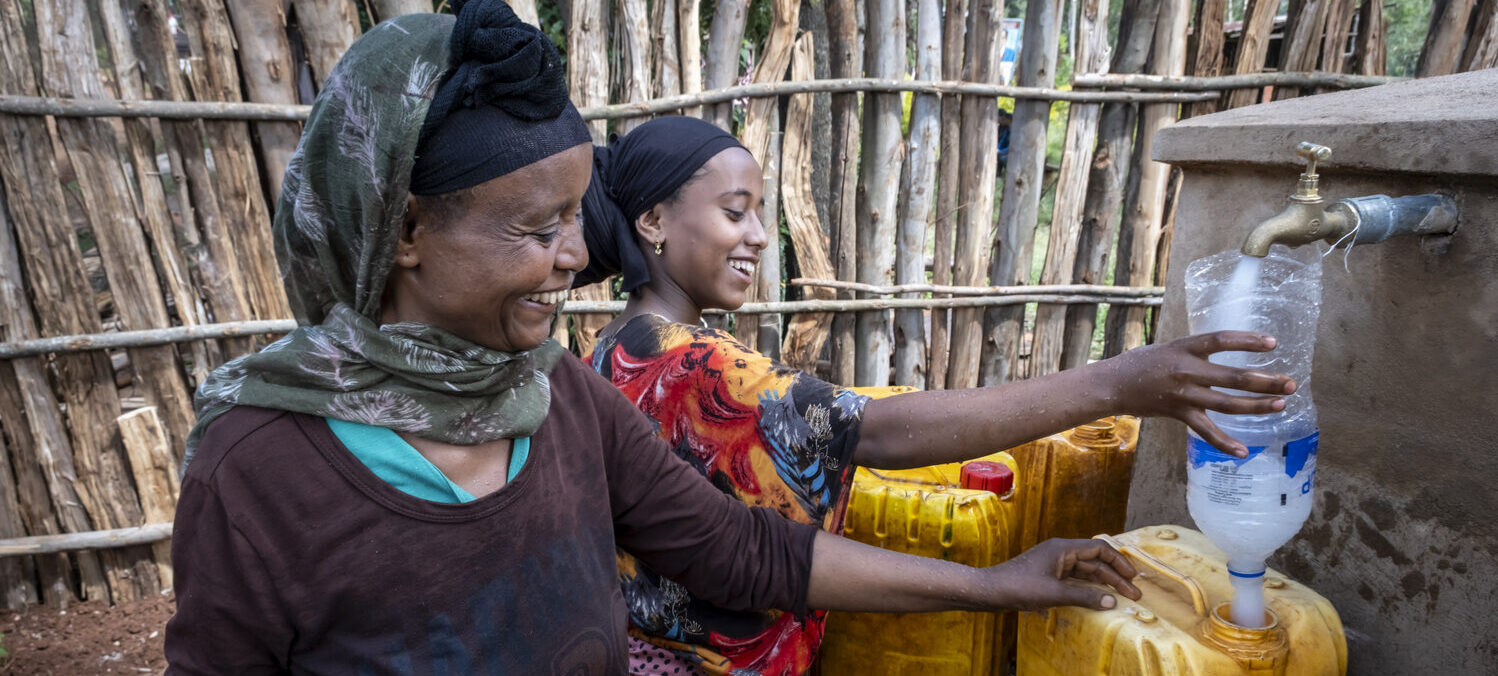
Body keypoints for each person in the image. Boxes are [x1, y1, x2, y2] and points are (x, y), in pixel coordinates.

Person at [165, 5, 1143, 674]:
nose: (571, 255)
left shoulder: (561, 400)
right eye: (533, 227)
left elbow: (744, 553)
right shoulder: (263, 463)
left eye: (570, 218)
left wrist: (992, 587)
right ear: (406, 229)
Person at [578, 116, 1297, 675]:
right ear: (653, 222)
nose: (761, 236)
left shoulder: (613, 348)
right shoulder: (692, 359)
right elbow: (880, 431)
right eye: (736, 213)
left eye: (762, 212)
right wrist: (1117, 383)